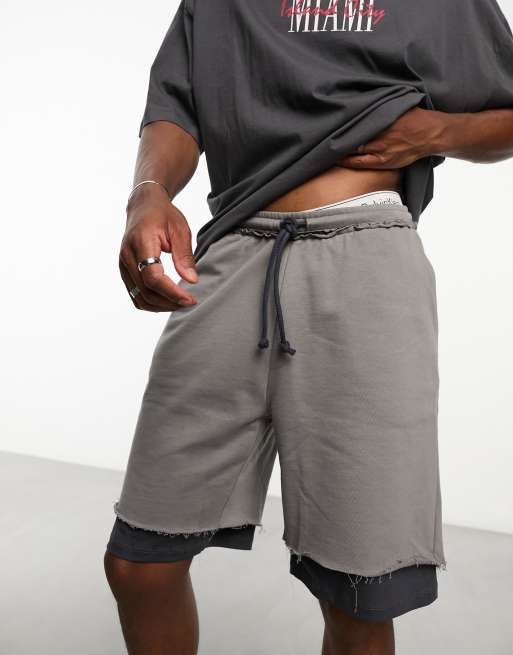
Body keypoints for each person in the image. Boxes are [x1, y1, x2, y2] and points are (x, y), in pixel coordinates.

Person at [103, 1, 513, 653]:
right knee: (138, 562)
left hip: (366, 257)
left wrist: (439, 131)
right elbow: (175, 106)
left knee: (358, 591)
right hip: (232, 252)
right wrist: (147, 193)